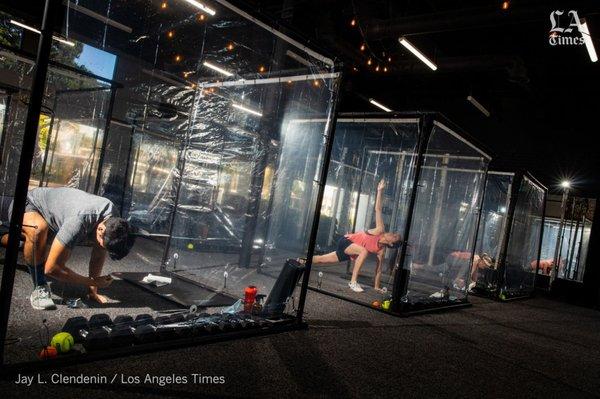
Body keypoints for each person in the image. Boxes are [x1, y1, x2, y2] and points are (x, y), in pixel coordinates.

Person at [1, 187, 136, 310]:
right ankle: (39, 286)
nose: (103, 248)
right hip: (29, 203)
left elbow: (98, 256)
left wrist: (92, 290)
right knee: (38, 231)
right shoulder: (79, 221)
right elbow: (52, 269)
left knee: (35, 246)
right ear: (101, 229)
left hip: (55, 219)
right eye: (103, 243)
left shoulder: (114, 220)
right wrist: (92, 281)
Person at [311, 180, 401, 293]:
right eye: (394, 233)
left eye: (394, 236)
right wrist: (380, 191)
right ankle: (353, 282)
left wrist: (377, 287)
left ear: (391, 243)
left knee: (321, 260)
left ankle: (302, 261)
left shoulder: (381, 251)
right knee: (364, 252)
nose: (392, 234)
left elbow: (378, 271)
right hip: (346, 241)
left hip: (350, 251)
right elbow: (378, 209)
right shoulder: (380, 230)